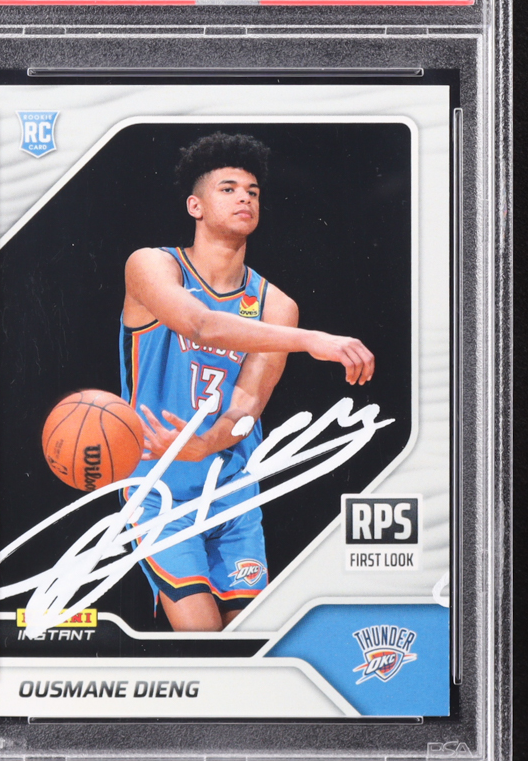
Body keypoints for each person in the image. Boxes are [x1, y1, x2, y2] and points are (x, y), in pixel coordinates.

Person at [120, 132, 374, 632]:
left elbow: (246, 407)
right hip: (157, 489)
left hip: (232, 491)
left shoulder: (275, 306)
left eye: (253, 192)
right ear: (195, 205)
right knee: (202, 637)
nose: (245, 198)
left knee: (247, 641)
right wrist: (311, 340)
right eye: (229, 189)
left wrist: (207, 442)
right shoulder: (153, 265)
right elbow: (200, 324)